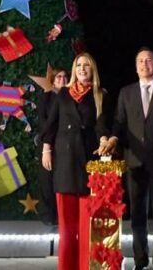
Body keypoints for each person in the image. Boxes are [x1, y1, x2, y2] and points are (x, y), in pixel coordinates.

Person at [99, 47, 153, 270]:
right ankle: (140, 258)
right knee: (137, 214)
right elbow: (119, 123)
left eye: (148, 60)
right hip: (134, 163)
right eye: (140, 61)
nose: (144, 64)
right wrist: (113, 139)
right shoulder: (126, 93)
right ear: (135, 66)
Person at [42, 53, 108, 270]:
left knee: (87, 227)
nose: (81, 69)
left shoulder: (100, 95)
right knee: (67, 229)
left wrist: (104, 139)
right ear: (73, 69)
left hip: (88, 163)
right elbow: (51, 124)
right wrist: (46, 149)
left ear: (92, 70)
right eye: (78, 65)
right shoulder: (62, 94)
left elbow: (101, 126)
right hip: (65, 164)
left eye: (86, 65)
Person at [36, 67, 68, 225]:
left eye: (64, 77)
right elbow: (45, 123)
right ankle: (48, 217)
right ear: (53, 80)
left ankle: (61, 216)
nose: (62, 80)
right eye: (59, 77)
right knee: (46, 181)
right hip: (47, 145)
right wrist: (46, 146)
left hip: (64, 146)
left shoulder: (70, 97)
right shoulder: (46, 97)